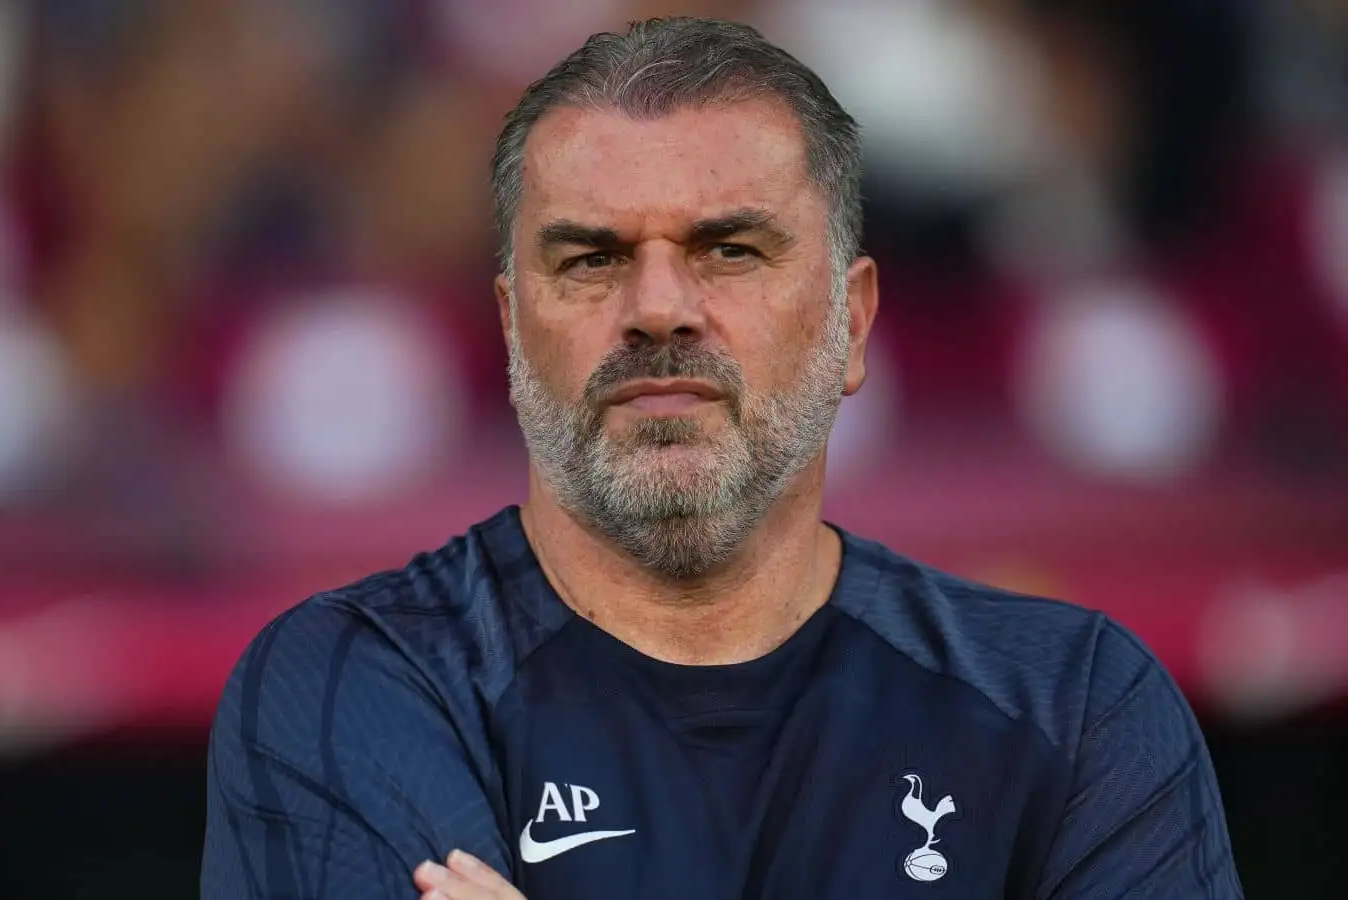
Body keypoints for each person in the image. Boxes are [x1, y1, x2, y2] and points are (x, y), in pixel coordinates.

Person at [201, 17, 1243, 900]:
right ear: (513, 328)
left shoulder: (1075, 705)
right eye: (592, 258)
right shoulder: (350, 685)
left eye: (730, 250)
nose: (658, 309)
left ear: (852, 321)